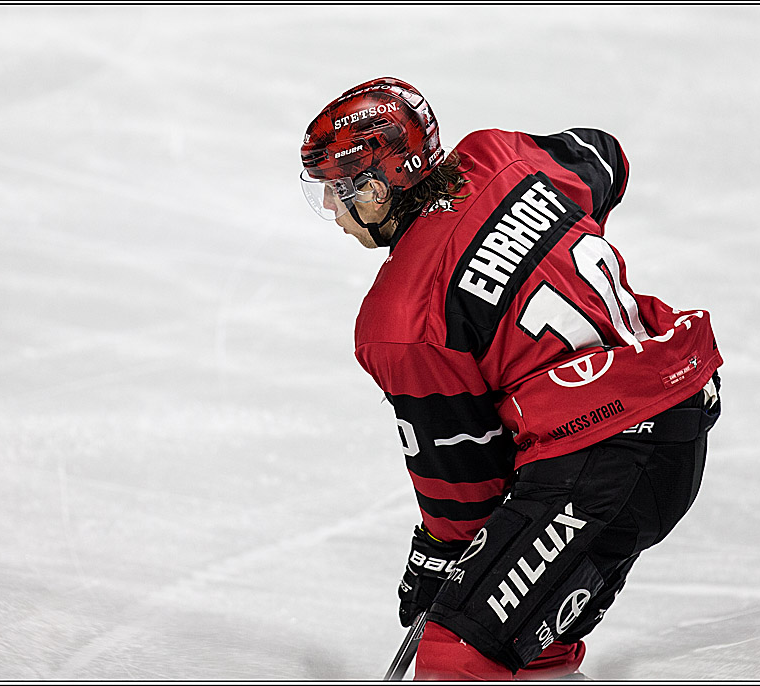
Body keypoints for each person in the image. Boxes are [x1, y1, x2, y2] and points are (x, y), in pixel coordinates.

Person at [299, 77, 723, 680]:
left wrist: (442, 557)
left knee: (459, 653)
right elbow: (606, 157)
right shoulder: (501, 156)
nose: (333, 213)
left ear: (373, 191)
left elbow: (468, 486)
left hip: (601, 455)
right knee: (529, 646)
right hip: (678, 411)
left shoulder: (400, 318)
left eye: (334, 195)